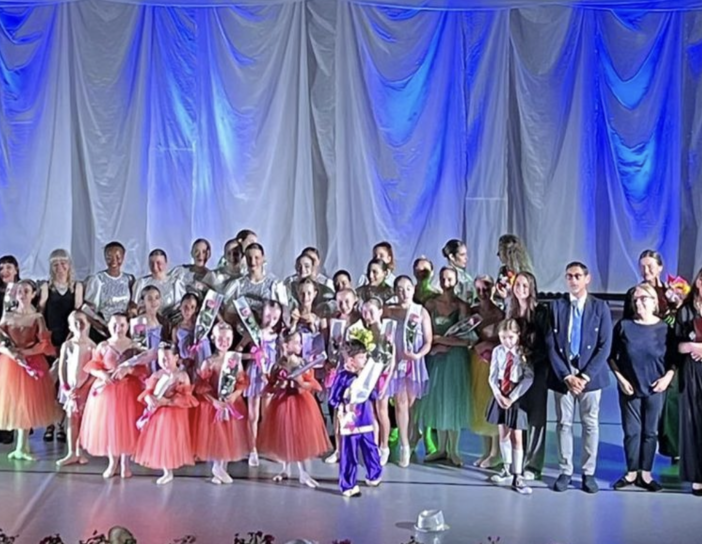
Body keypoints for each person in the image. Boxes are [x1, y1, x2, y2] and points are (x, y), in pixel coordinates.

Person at [546, 261, 612, 494]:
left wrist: (584, 376)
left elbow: (605, 346)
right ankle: (565, 471)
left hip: (590, 376)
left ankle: (588, 472)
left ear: (587, 278)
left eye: (577, 276)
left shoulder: (600, 307)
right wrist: (566, 375)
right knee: (564, 423)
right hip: (563, 374)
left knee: (590, 424)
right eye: (569, 276)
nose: (573, 280)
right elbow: (550, 344)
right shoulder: (556, 307)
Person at [609, 283, 674, 492]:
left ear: (654, 302)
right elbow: (611, 357)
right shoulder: (624, 326)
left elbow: (674, 360)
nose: (639, 303)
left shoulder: (665, 329)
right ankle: (631, 472)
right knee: (632, 432)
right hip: (630, 388)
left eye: (643, 298)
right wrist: (621, 379)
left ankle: (645, 473)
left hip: (656, 388)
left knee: (650, 432)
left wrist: (667, 378)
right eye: (635, 300)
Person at [257, 330, 331, 488]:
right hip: (282, 403)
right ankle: (285, 469)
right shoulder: (277, 365)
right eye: (296, 343)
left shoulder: (302, 363)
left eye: (300, 342)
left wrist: (300, 383)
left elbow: (313, 385)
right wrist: (279, 385)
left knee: (298, 437)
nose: (300, 346)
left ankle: (303, 473)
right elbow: (270, 388)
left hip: (300, 403)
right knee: (285, 435)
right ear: (286, 345)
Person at [80, 313, 148, 479]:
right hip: (108, 392)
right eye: (115, 325)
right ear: (109, 326)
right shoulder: (104, 346)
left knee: (127, 426)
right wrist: (102, 374)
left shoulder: (135, 345)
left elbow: (143, 369)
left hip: (129, 391)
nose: (118, 328)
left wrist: (129, 370)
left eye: (122, 325)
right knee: (110, 426)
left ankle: (125, 463)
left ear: (128, 326)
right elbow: (93, 365)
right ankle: (112, 462)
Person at [0, 280, 62, 460]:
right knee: (15, 402)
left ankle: (23, 445)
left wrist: (25, 353)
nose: (22, 294)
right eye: (20, 291)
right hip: (10, 365)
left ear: (33, 294)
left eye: (26, 291)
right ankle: (20, 446)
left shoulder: (37, 318)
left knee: (27, 403)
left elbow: (44, 343)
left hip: (32, 362)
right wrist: (12, 353)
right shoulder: (7, 316)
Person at [420, 267, 471, 466]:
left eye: (449, 279)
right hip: (436, 357)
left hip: (455, 359)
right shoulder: (430, 304)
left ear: (456, 281)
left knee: (453, 401)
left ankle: (454, 450)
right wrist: (435, 345)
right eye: (443, 278)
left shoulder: (461, 306)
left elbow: (466, 339)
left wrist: (440, 340)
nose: (445, 282)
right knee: (438, 401)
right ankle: (441, 448)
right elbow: (425, 335)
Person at [192, 322, 250, 484]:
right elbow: (201, 387)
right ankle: (217, 466)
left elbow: (242, 381)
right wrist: (214, 402)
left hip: (231, 402)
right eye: (220, 338)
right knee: (218, 436)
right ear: (213, 338)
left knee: (228, 436)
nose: (224, 342)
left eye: (227, 339)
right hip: (214, 404)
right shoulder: (209, 362)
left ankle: (221, 469)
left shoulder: (235, 359)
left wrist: (235, 395)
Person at [384, 276, 432, 468]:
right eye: (400, 289)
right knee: (400, 403)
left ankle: (412, 436)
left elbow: (428, 341)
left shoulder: (420, 311)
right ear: (395, 291)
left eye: (407, 288)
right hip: (396, 361)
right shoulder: (389, 310)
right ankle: (404, 444)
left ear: (413, 290)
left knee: (411, 405)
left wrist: (418, 355)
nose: (404, 292)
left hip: (414, 362)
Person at [506, 271, 549, 480]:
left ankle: (533, 465)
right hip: (516, 372)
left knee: (536, 418)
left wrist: (529, 355)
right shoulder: (511, 311)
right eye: (517, 284)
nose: (521, 289)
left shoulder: (541, 312)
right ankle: (517, 460)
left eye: (525, 285)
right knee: (518, 415)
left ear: (532, 288)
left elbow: (547, 343)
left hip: (538, 370)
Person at [134, 342, 198, 485]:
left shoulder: (182, 376)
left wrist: (168, 402)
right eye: (161, 359)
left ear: (176, 358)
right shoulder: (157, 375)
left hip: (174, 412)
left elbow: (187, 398)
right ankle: (166, 470)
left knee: (171, 439)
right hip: (159, 413)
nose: (164, 362)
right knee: (161, 440)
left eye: (167, 358)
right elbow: (148, 391)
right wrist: (148, 398)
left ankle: (170, 469)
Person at [38, 249, 84, 443]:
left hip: (69, 338)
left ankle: (61, 425)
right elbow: (40, 314)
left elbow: (78, 313)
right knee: (50, 383)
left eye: (63, 263)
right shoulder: (46, 287)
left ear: (69, 265)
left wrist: (71, 339)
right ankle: (49, 423)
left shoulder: (77, 287)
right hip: (50, 340)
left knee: (66, 382)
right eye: (55, 264)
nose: (60, 267)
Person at [328, 339, 383, 497]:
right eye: (361, 357)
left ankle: (374, 474)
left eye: (365, 357)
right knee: (349, 452)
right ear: (351, 360)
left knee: (370, 447)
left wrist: (372, 389)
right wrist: (344, 401)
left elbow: (372, 395)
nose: (364, 360)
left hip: (365, 418)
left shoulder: (365, 376)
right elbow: (333, 399)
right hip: (350, 421)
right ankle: (348, 485)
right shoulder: (342, 377)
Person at [486, 319, 534, 495]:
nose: (507, 341)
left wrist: (512, 398)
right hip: (501, 395)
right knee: (503, 433)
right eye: (503, 337)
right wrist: (498, 395)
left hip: (516, 397)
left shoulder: (522, 353)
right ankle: (506, 468)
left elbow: (528, 377)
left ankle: (517, 474)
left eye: (511, 337)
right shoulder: (497, 351)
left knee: (517, 436)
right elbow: (492, 376)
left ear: (518, 335)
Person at [238, 299, 283, 467]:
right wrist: (252, 355)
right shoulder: (253, 333)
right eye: (268, 316)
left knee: (268, 414)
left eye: (275, 318)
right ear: (261, 314)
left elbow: (280, 357)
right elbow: (237, 352)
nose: (271, 320)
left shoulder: (277, 336)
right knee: (253, 415)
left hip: (269, 376)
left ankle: (268, 447)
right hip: (254, 374)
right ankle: (252, 449)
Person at [673, 267, 702, 496]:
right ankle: (697, 477)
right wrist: (692, 346)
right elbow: (676, 345)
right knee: (692, 421)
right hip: (691, 371)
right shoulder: (685, 310)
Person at [470, 275, 504, 467]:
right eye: (479, 289)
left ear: (493, 289)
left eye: (486, 289)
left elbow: (504, 340)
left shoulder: (500, 313)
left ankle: (496, 452)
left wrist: (487, 345)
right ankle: (486, 451)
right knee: (480, 407)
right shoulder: (473, 312)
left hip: (493, 364)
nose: (483, 293)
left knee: (492, 406)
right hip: (477, 363)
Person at [56, 311, 96, 467]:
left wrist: (84, 388)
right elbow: (62, 368)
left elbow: (94, 371)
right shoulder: (68, 345)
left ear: (88, 323)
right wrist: (65, 388)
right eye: (75, 322)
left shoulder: (92, 346)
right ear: (70, 327)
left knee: (83, 420)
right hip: (71, 389)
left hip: (85, 389)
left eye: (82, 321)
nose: (79, 324)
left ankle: (80, 451)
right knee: (72, 419)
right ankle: (71, 452)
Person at [83, 242, 135, 339]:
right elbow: (88, 310)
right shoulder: (97, 279)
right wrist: (103, 327)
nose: (114, 261)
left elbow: (132, 304)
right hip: (103, 329)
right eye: (109, 258)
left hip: (124, 328)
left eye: (118, 257)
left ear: (123, 257)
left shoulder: (129, 279)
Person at [130, 249, 184, 317]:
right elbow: (134, 307)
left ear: (166, 263)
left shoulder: (175, 283)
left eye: (159, 263)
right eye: (151, 263)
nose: (155, 267)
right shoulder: (141, 283)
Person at [494, 235, 534, 301]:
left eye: (500, 250)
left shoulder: (524, 275)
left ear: (507, 252)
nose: (498, 254)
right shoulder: (503, 271)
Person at [442, 240, 474, 304]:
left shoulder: (464, 275)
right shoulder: (447, 276)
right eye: (462, 255)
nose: (466, 258)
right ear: (452, 257)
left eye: (466, 254)